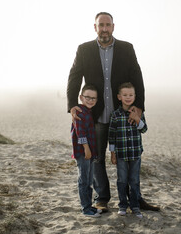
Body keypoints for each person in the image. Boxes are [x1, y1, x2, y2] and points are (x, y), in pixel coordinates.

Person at [67, 12, 159, 211]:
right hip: (97, 116)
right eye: (101, 25)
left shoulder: (126, 48)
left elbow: (137, 77)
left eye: (108, 25)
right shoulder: (84, 49)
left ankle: (134, 199)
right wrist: (72, 104)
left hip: (123, 116)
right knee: (97, 158)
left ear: (113, 27)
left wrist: (139, 108)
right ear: (95, 27)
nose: (105, 29)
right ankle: (102, 198)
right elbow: (74, 77)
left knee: (127, 158)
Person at [109, 82, 147, 219]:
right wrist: (112, 153)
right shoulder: (115, 115)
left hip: (136, 153)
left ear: (135, 96)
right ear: (119, 97)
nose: (128, 97)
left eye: (130, 95)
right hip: (121, 155)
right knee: (122, 180)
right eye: (125, 95)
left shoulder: (137, 112)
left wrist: (137, 119)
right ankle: (123, 205)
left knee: (134, 180)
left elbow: (144, 129)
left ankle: (135, 206)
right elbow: (111, 136)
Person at [71, 84, 103, 218]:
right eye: (87, 97)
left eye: (93, 98)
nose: (90, 100)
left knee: (89, 180)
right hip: (83, 151)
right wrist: (86, 149)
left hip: (89, 151)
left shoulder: (88, 112)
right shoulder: (79, 111)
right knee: (84, 180)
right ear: (81, 97)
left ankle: (90, 206)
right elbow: (80, 132)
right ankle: (85, 209)